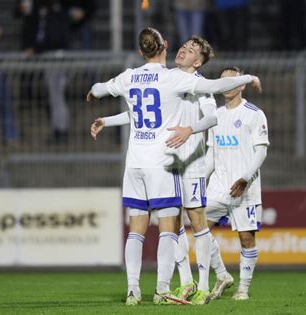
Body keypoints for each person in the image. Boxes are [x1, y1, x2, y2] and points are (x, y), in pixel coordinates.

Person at [86, 27, 262, 306]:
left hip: (181, 163)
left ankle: (198, 283)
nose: (184, 50)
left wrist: (190, 130)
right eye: (184, 46)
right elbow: (143, 110)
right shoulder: (172, 79)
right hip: (166, 163)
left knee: (187, 225)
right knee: (173, 227)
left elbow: (213, 117)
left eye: (192, 50)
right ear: (165, 46)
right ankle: (179, 284)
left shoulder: (175, 83)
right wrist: (108, 120)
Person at [204, 66, 269, 301]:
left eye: (231, 81)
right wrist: (200, 180)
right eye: (222, 82)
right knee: (200, 228)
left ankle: (243, 289)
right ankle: (222, 275)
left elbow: (260, 153)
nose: (226, 86)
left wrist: (244, 178)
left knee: (246, 238)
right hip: (219, 186)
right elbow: (211, 155)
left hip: (245, 188)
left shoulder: (254, 114)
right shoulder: (216, 116)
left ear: (242, 85)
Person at [14, 0, 71, 144]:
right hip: (50, 57)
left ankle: (61, 130)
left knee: (57, 95)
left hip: (57, 58)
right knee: (54, 95)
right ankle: (58, 129)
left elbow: (54, 38)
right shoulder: (43, 10)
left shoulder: (56, 11)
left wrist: (35, 49)